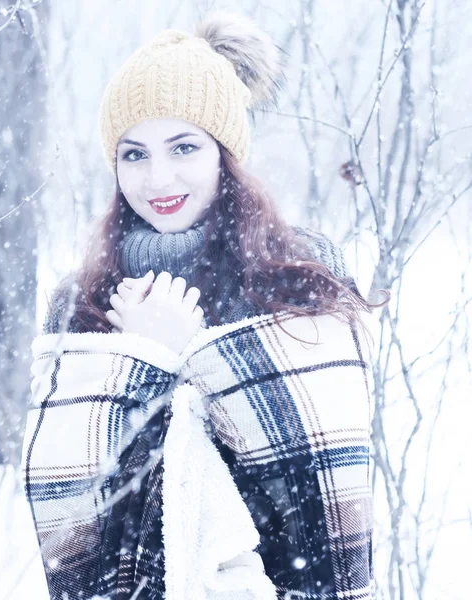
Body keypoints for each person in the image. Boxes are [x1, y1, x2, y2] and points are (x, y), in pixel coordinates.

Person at [22, 12, 386, 600]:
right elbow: (71, 521)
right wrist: (146, 367)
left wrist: (190, 359)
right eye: (134, 154)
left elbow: (322, 506)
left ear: (226, 153)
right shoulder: (81, 298)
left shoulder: (299, 272)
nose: (157, 177)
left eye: (183, 147)